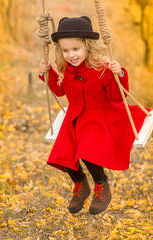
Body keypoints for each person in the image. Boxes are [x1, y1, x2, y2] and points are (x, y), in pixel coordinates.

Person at [39, 16, 147, 215]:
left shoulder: (101, 69)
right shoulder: (66, 69)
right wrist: (48, 74)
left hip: (100, 115)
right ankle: (81, 184)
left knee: (86, 149)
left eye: (76, 49)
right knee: (64, 153)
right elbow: (59, 90)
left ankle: (101, 185)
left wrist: (119, 74)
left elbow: (117, 96)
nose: (71, 55)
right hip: (76, 116)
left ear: (88, 47)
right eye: (66, 50)